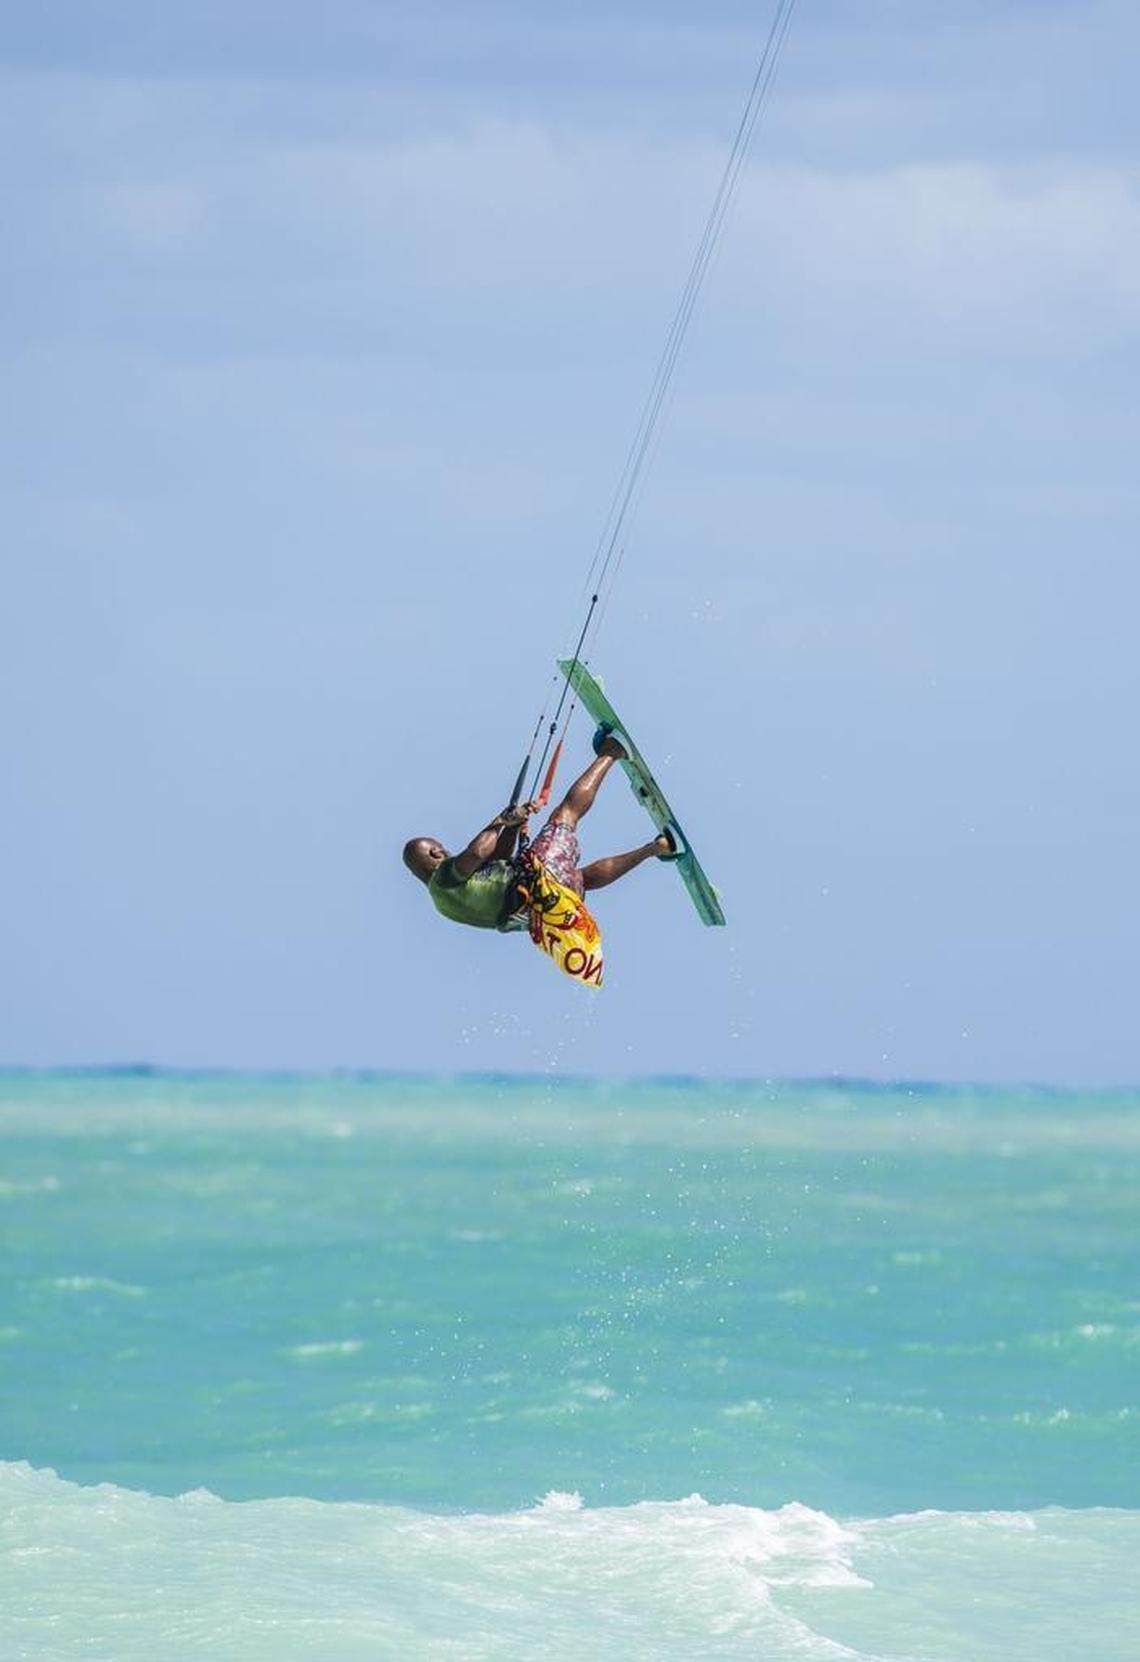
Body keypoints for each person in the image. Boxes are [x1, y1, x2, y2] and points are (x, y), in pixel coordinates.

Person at [402, 733, 676, 934]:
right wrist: (501, 819)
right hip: (538, 882)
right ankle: (612, 751)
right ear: (435, 853)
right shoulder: (443, 877)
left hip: (549, 912)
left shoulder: (445, 904)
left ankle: (655, 849)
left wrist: (512, 826)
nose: (447, 850)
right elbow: (477, 852)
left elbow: (496, 863)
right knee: (565, 815)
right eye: (442, 847)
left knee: (581, 878)